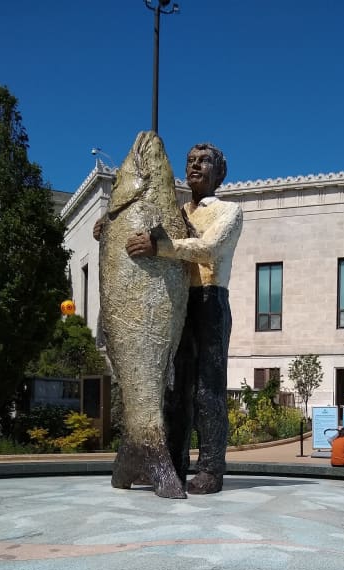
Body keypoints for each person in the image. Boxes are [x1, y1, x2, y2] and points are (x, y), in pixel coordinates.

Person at [97, 142, 243, 495]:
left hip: (209, 301)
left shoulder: (229, 211)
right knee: (175, 390)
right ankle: (171, 462)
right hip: (173, 305)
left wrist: (161, 246)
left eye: (205, 162)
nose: (195, 166)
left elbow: (208, 249)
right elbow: (141, 234)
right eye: (191, 161)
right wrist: (111, 227)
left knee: (208, 390)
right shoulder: (175, 213)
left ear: (220, 173)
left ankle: (210, 468)